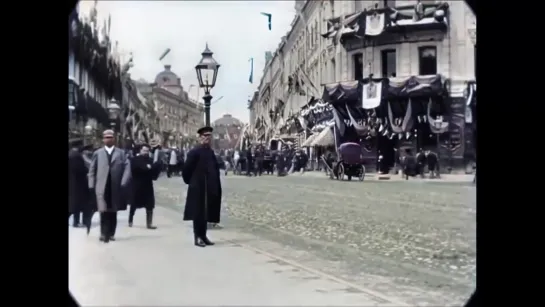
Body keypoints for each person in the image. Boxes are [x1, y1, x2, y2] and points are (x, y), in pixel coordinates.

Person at [88, 130, 131, 243]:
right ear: (103, 139)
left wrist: (124, 181)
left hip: (115, 186)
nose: (108, 139)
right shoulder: (98, 153)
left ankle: (111, 233)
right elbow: (92, 170)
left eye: (110, 137)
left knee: (113, 211)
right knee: (103, 211)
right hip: (101, 186)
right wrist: (91, 184)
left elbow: (127, 168)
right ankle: (103, 233)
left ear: (114, 139)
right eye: (106, 137)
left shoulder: (121, 153)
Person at [182, 126, 222, 247]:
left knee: (206, 212)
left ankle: (204, 236)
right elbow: (186, 170)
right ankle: (197, 237)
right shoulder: (194, 152)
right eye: (205, 136)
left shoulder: (210, 152)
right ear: (200, 138)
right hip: (198, 187)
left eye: (209, 136)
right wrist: (192, 182)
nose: (207, 139)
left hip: (209, 186)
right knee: (198, 212)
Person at [128, 144, 161, 229]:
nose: (146, 152)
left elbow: (153, 173)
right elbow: (137, 169)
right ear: (140, 150)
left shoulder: (150, 160)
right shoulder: (135, 159)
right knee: (134, 204)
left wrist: (154, 167)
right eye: (144, 150)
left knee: (150, 204)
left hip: (148, 185)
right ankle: (130, 219)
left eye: (147, 151)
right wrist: (148, 168)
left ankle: (149, 223)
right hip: (137, 185)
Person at [69, 140, 88, 228]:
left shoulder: (71, 154)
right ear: (78, 146)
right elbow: (80, 169)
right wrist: (86, 170)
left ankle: (76, 221)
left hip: (72, 182)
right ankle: (76, 222)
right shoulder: (76, 156)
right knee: (77, 203)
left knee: (74, 203)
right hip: (77, 183)